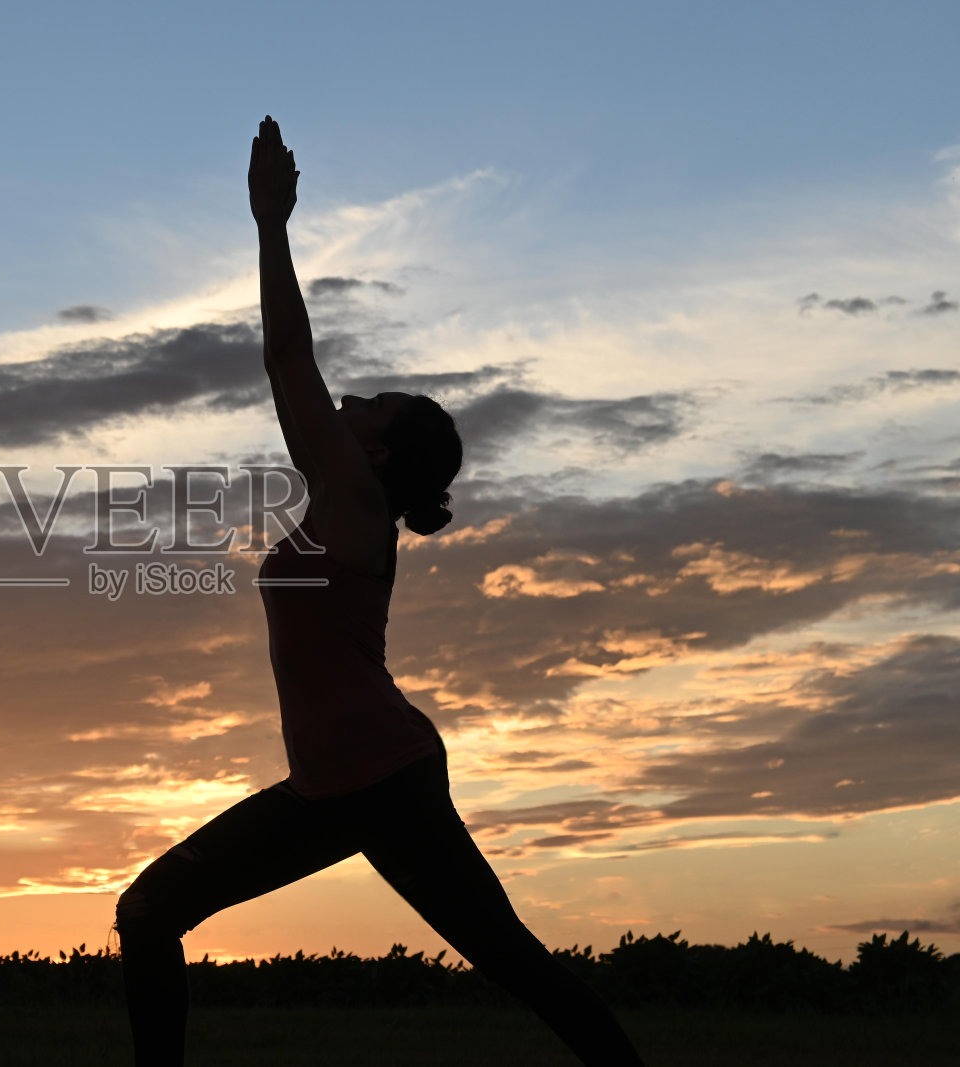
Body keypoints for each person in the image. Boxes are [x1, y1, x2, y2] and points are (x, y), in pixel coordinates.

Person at [112, 117, 646, 1067]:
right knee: (149, 909)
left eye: (368, 406)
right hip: (325, 789)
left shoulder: (358, 507)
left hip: (389, 783)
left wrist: (270, 225)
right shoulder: (338, 499)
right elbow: (293, 380)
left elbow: (288, 361)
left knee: (512, 960)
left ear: (380, 454)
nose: (348, 403)